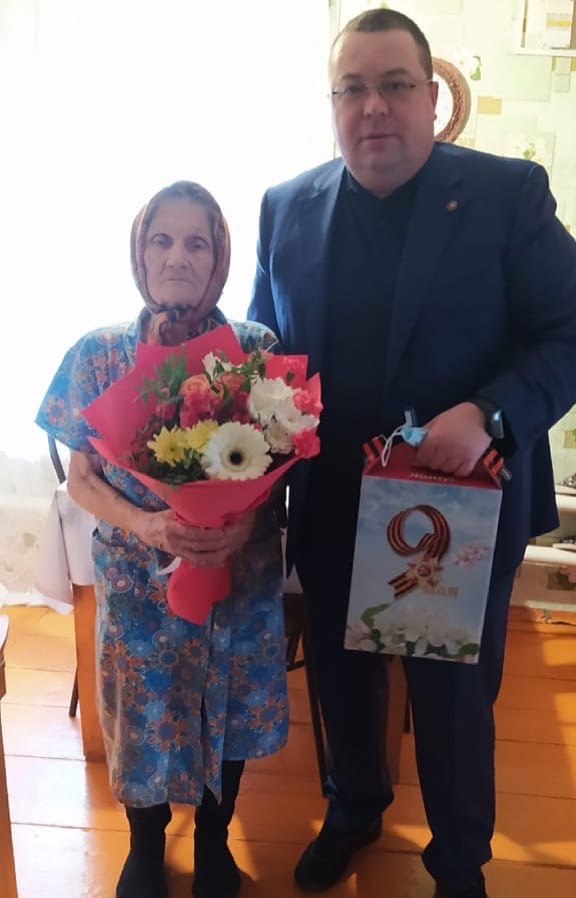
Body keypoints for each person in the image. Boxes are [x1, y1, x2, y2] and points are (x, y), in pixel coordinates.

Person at [248, 8, 576, 898]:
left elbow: (575, 337)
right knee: (340, 676)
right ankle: (353, 809)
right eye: (352, 89)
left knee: (450, 697)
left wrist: (486, 413)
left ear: (432, 95)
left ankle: (457, 865)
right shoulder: (284, 206)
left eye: (394, 85)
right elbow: (265, 355)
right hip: (332, 497)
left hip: (458, 502)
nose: (373, 107)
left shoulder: (505, 195)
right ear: (332, 103)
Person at [36, 181, 288, 898]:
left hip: (236, 571)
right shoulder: (96, 355)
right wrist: (149, 523)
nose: (178, 257)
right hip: (135, 574)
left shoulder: (254, 351)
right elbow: (81, 479)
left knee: (225, 703)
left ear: (219, 260)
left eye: (197, 243)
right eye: (161, 240)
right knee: (140, 709)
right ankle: (145, 847)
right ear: (139, 254)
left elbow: (280, 469)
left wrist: (240, 522)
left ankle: (213, 842)